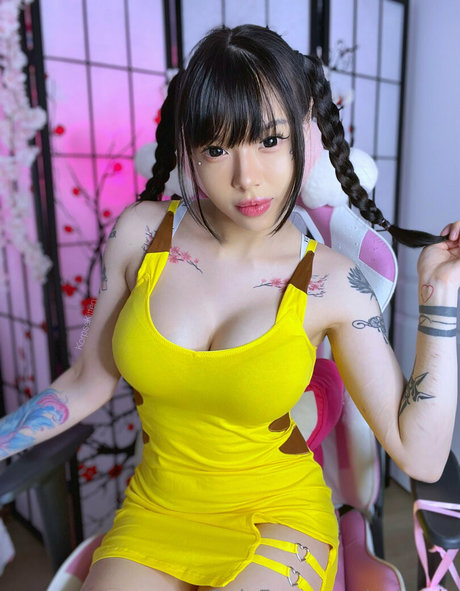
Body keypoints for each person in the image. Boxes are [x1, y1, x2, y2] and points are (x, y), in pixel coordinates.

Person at [0, 23, 459, 591]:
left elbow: (420, 457)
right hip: (157, 514)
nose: (247, 179)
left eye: (269, 140)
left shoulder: (335, 284)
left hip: (279, 519)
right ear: (189, 150)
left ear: (304, 133)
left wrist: (440, 299)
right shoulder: (141, 235)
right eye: (217, 149)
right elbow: (85, 383)